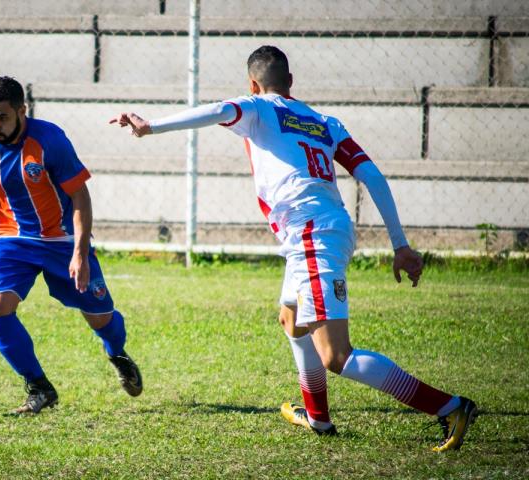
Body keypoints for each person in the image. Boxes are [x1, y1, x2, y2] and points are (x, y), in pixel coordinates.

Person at [109, 46, 477, 451]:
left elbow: (217, 110)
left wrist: (151, 126)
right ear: (291, 83)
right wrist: (399, 244)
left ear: (253, 84)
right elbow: (371, 176)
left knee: (336, 356)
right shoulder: (324, 121)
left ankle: (449, 407)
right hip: (326, 227)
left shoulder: (257, 107)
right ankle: (317, 417)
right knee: (291, 319)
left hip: (309, 234)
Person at [0, 76, 142, 415]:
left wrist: (79, 254)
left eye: (2, 117)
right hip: (11, 239)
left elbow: (80, 196)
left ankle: (118, 354)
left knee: (100, 317)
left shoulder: (49, 139)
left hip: (62, 241)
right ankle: (39, 387)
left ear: (22, 110)